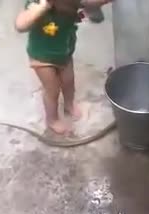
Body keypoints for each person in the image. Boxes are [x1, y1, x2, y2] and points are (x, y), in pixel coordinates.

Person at [15, 0, 111, 134]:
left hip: (65, 52)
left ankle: (69, 105)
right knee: (52, 90)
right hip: (42, 57)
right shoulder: (37, 4)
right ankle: (52, 119)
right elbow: (20, 25)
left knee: (68, 81)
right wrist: (43, 7)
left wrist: (83, 14)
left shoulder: (71, 5)